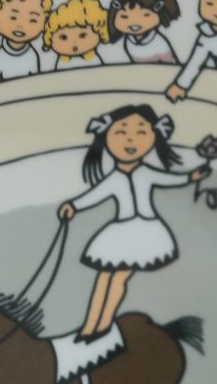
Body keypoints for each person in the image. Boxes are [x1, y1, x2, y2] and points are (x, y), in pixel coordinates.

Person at [58, 103, 207, 342]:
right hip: (121, 231)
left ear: (153, 136)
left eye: (141, 132)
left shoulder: (147, 173)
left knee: (118, 278)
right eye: (121, 132)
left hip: (146, 229)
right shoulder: (114, 179)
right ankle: (90, 326)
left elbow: (170, 180)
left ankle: (102, 325)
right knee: (104, 277)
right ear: (106, 137)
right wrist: (73, 205)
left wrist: (191, 176)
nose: (131, 139)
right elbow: (94, 195)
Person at [104, 0, 180, 69]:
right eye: (124, 17)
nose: (134, 22)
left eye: (146, 15)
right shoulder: (129, 40)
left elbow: (171, 66)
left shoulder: (159, 42)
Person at [45, 0, 109, 68]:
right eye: (63, 37)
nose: (74, 43)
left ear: (100, 31)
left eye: (82, 35)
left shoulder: (93, 59)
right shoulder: (62, 62)